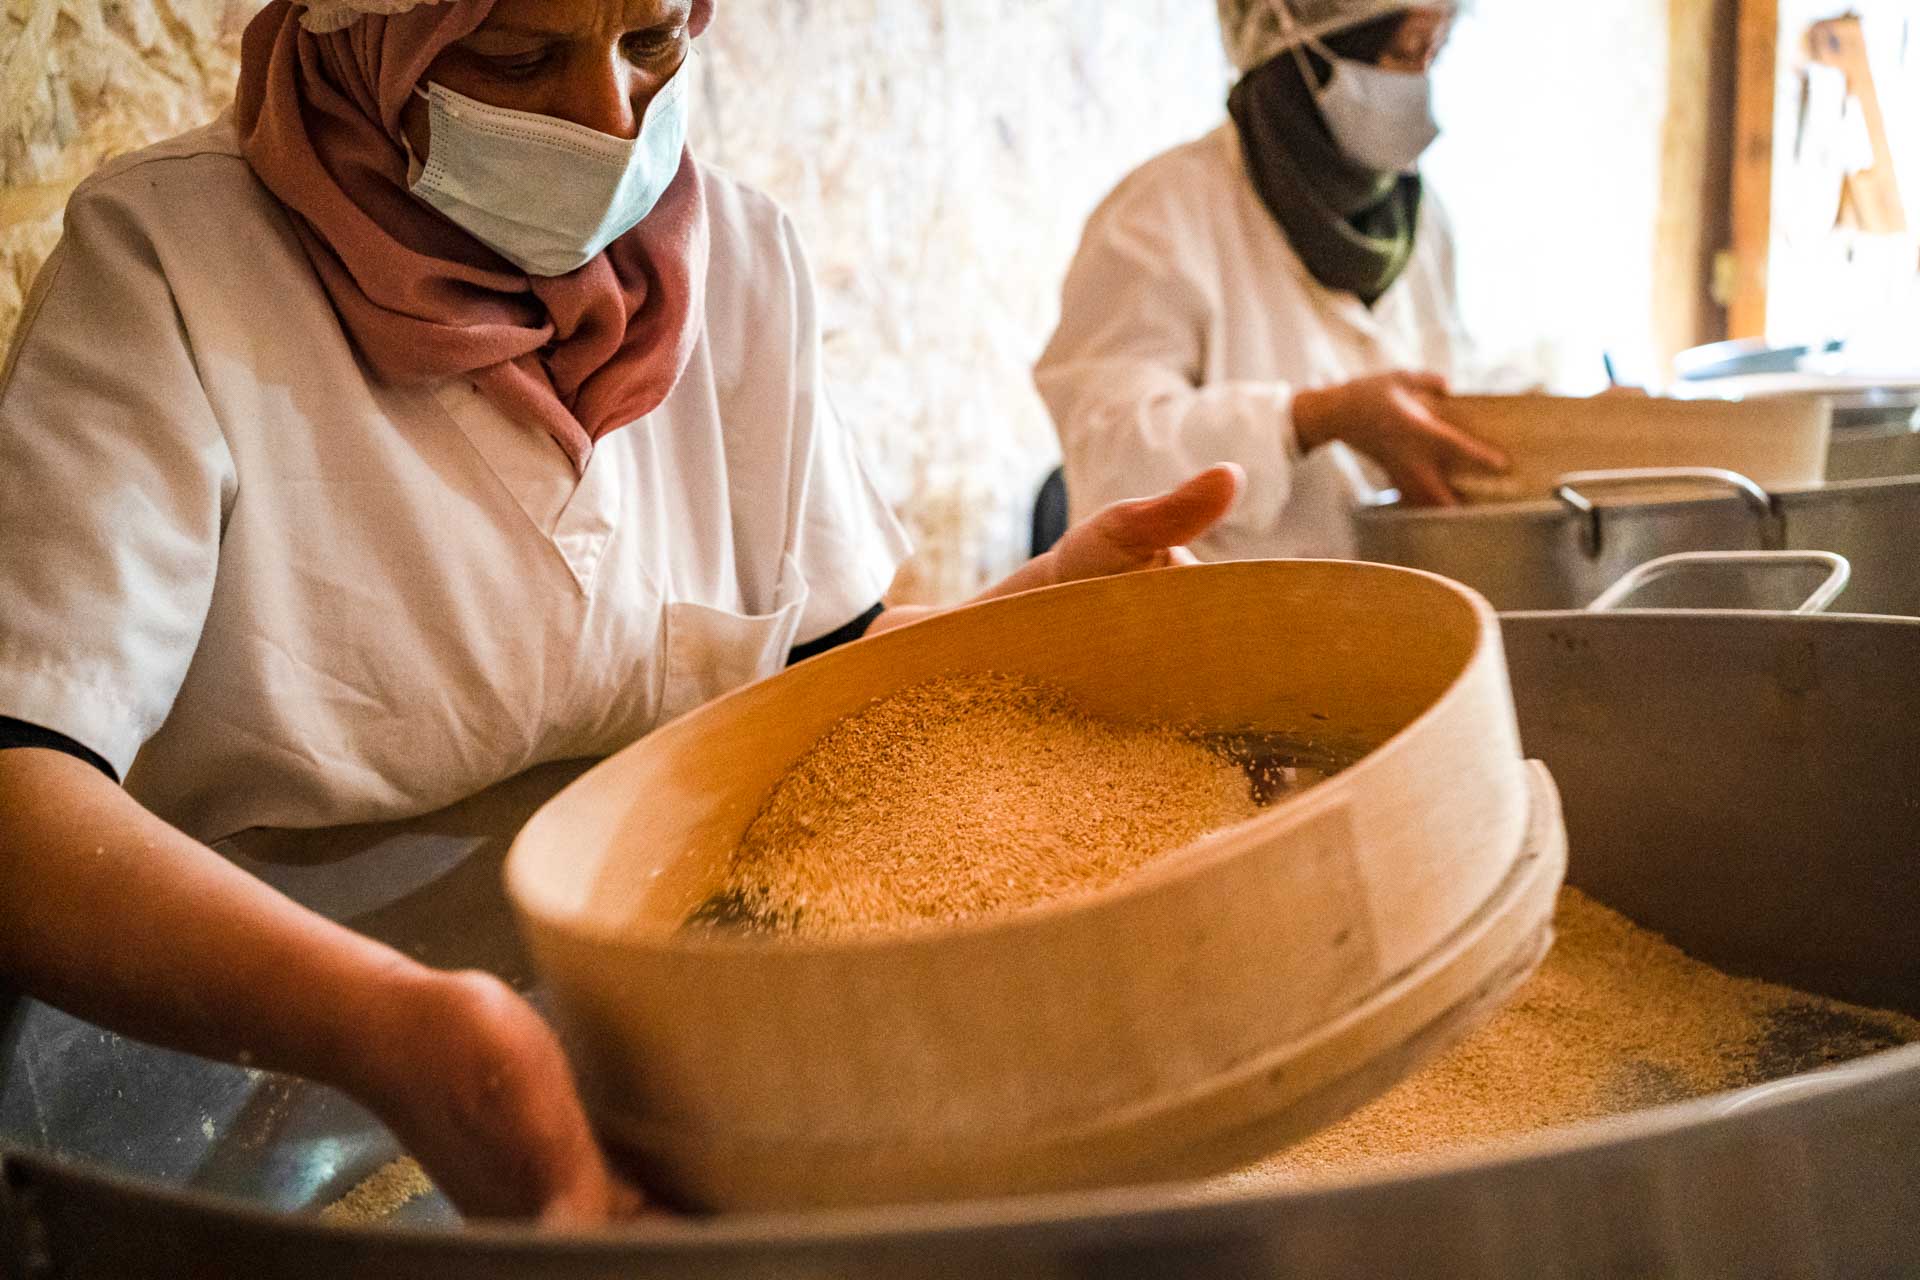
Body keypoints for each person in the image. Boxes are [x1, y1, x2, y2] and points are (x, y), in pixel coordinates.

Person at [0, 0, 1244, 1224]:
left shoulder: (739, 262)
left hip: (692, 1042)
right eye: (517, 54)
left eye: (650, 40)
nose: (609, 116)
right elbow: (25, 792)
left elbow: (825, 674)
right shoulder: (174, 267)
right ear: (367, 33)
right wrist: (387, 1026)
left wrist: (1024, 624)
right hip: (261, 1084)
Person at [1034, 0, 1507, 562]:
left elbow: (1451, 373)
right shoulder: (1160, 212)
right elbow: (1109, 453)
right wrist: (1314, 418)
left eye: (1437, 51)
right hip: (1224, 628)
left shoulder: (1420, 219)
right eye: (1406, 50)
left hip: (1392, 617)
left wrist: (1584, 419)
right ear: (1304, 47)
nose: (1421, 83)